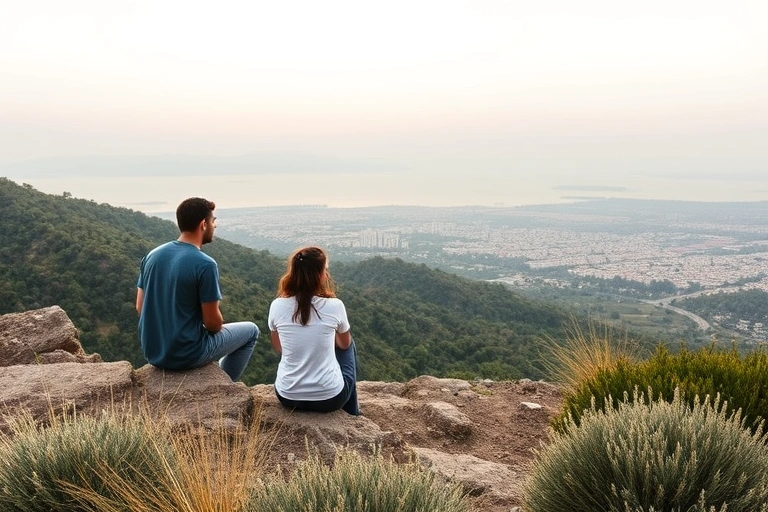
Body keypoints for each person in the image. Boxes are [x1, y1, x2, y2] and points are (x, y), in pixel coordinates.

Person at [135, 197, 259, 381]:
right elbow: (213, 325)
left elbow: (140, 307)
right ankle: (225, 387)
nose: (214, 226)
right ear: (203, 224)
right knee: (252, 331)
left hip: (153, 352)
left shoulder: (153, 255)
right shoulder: (205, 264)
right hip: (187, 355)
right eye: (213, 221)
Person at [268, 246, 359, 415]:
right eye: (325, 270)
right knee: (349, 345)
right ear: (319, 275)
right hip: (330, 399)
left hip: (288, 396)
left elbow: (280, 347)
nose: (327, 274)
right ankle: (353, 412)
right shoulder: (335, 305)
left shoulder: (277, 305)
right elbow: (344, 344)